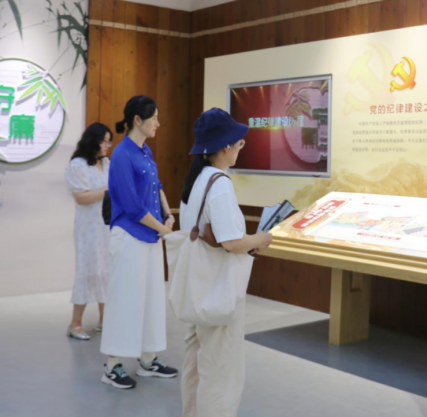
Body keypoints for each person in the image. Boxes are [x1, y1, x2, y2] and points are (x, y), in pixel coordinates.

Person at [179, 108, 273, 417]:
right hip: (218, 294)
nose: (240, 146)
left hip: (198, 290)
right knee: (220, 371)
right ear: (225, 146)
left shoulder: (196, 181)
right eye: (238, 141)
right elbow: (232, 242)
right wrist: (260, 239)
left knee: (195, 365)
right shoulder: (219, 184)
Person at [100, 95, 178, 390]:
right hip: (130, 237)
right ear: (137, 120)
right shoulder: (121, 155)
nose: (158, 123)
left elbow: (157, 186)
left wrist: (168, 215)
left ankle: (148, 359)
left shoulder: (146, 151)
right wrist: (162, 228)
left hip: (151, 236)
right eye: (154, 118)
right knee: (124, 300)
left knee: (152, 299)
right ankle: (112, 366)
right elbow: (132, 206)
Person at [65, 123, 113, 341]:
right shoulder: (78, 164)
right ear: (92, 141)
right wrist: (108, 190)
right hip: (88, 229)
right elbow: (81, 197)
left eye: (109, 141)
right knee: (86, 270)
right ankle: (75, 324)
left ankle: (105, 319)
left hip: (107, 225)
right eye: (104, 141)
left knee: (107, 270)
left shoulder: (106, 163)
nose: (107, 145)